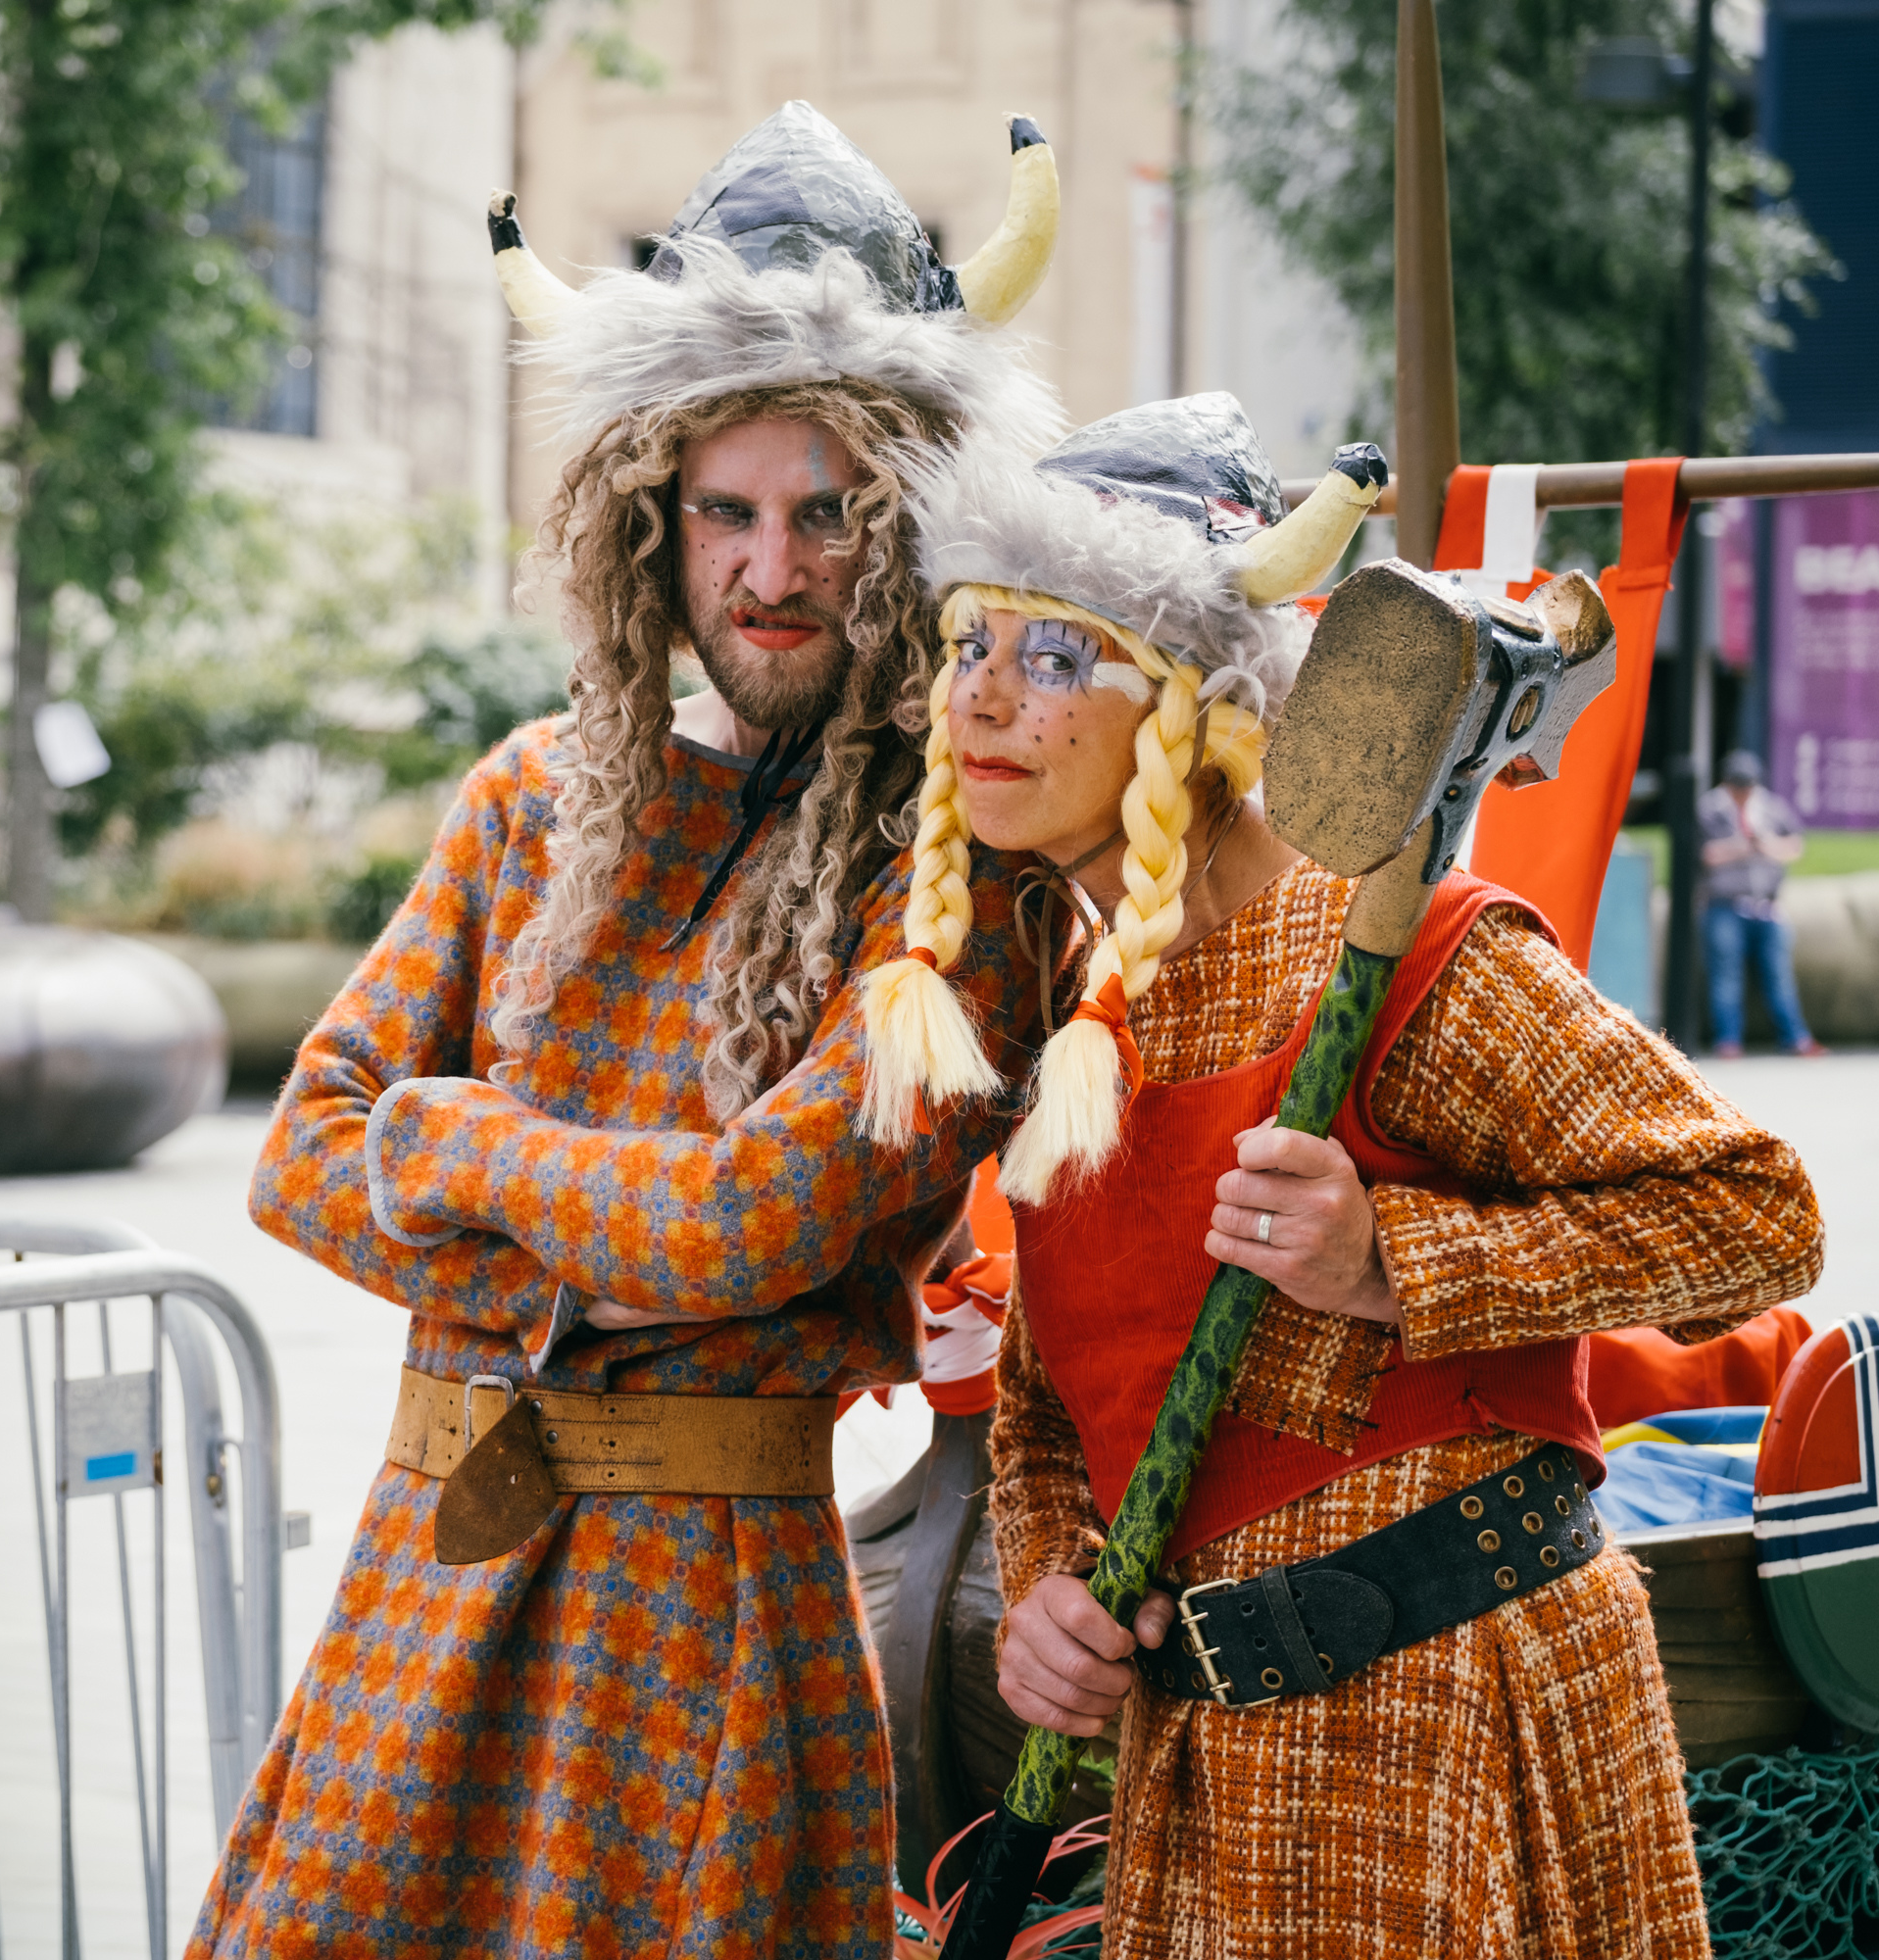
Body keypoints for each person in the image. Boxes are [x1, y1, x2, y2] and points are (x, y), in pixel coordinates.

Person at [186, 102, 1065, 1956]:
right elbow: (293, 1160)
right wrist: (582, 1230)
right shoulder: (528, 798)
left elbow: (750, 1223)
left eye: (829, 515)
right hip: (436, 1570)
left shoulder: (955, 889)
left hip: (715, 1606)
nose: (773, 571)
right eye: (727, 515)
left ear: (903, 530)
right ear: (648, 533)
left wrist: (450, 1148)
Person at [861, 397, 1825, 1957]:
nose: (981, 702)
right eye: (972, 645)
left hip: (1459, 1718)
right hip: (1206, 1775)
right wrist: (1047, 1596)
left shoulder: (1415, 959)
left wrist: (1396, 1259)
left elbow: (1753, 1214)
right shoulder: (1074, 1033)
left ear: (1194, 700)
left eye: (1053, 659)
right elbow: (1048, 1411)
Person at [1701, 748, 1823, 1057]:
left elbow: (1795, 845)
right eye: (1738, 786)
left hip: (1767, 905)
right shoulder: (1710, 808)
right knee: (1726, 976)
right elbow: (1707, 855)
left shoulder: (1771, 807)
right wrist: (1744, 846)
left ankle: (1795, 1038)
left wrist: (1765, 844)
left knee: (1779, 974)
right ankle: (1728, 1040)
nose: (1743, 793)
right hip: (1725, 905)